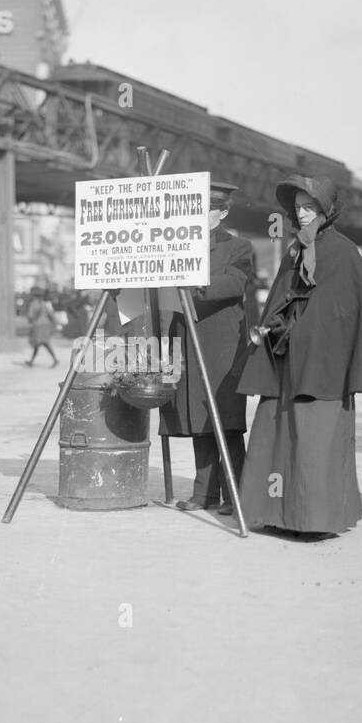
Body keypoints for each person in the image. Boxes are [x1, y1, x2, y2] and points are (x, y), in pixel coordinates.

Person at [237, 174, 362, 538]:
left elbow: (342, 314)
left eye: (309, 207)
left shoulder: (343, 252)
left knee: (315, 441)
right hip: (286, 357)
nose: (300, 214)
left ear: (325, 210)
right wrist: (273, 326)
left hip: (321, 367)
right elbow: (281, 296)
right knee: (276, 434)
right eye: (297, 207)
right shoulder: (297, 247)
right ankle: (275, 514)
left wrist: (300, 332)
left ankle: (313, 521)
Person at [158, 180, 255, 514]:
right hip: (190, 339)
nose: (198, 215)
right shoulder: (177, 245)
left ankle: (236, 495)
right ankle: (204, 495)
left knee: (226, 422)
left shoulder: (238, 246)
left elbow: (235, 284)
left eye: (207, 209)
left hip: (224, 346)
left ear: (223, 212)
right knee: (200, 418)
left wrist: (194, 278)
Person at [24, 288, 59, 367]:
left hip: (38, 325)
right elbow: (51, 315)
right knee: (41, 343)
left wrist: (31, 322)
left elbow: (30, 316)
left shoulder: (33, 304)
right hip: (46, 325)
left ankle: (54, 359)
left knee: (40, 343)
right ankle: (32, 361)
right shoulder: (44, 304)